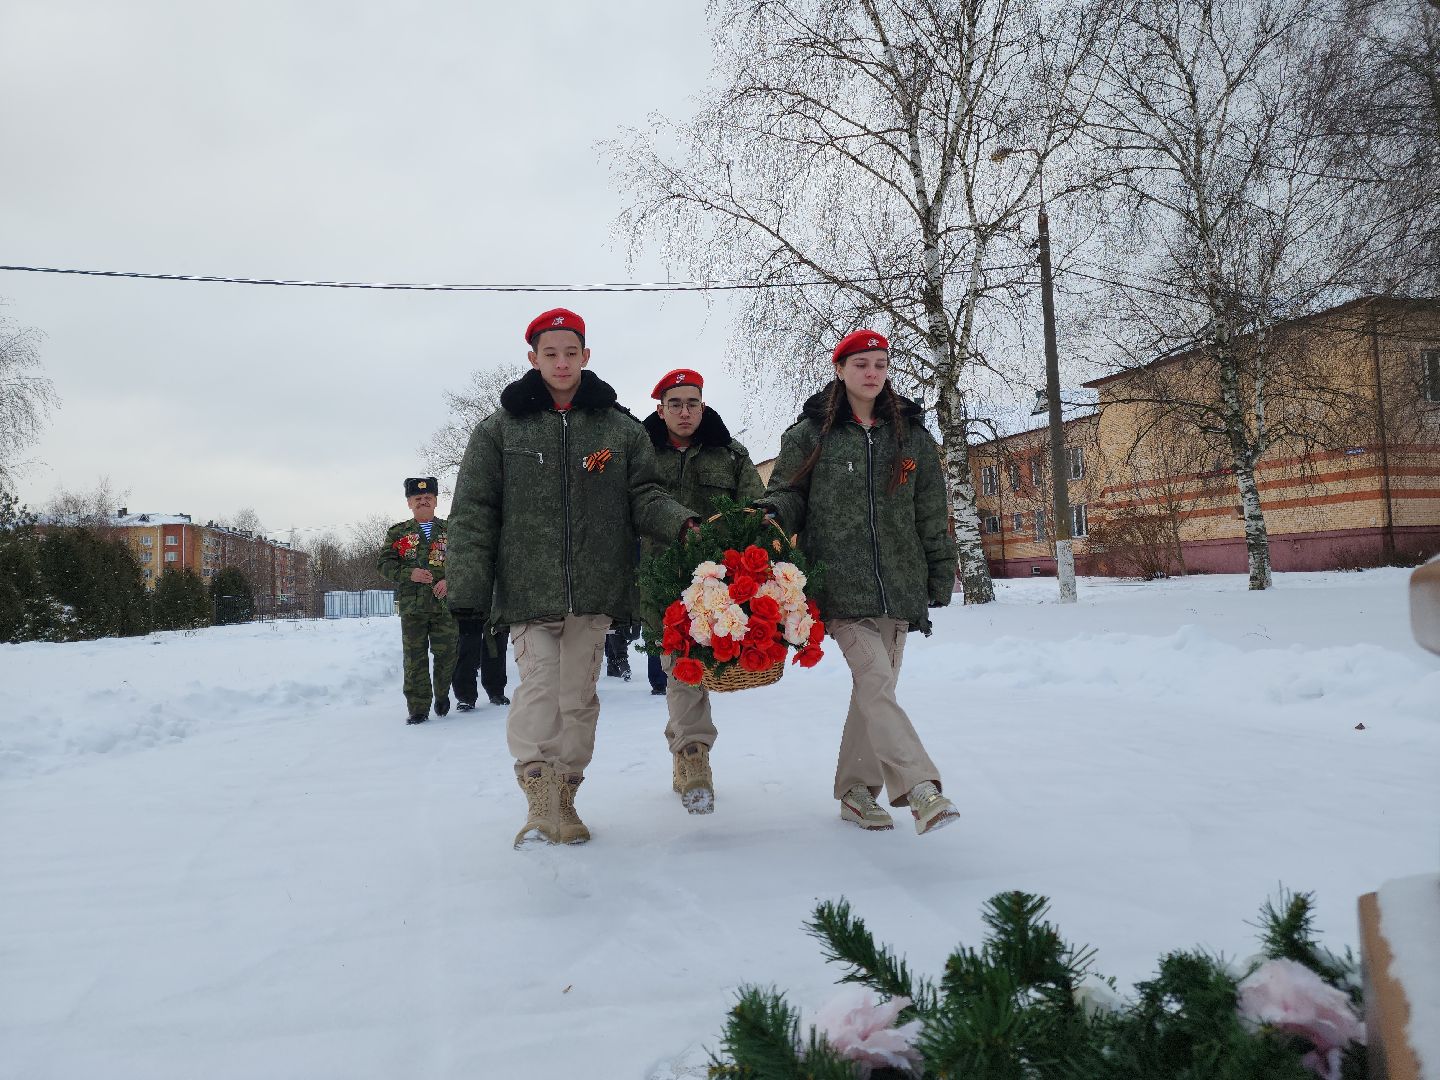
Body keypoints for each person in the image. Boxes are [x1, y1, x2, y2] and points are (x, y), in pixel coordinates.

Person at [446, 308, 697, 848]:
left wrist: (685, 524)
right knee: (539, 690)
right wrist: (468, 589)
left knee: (579, 700)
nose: (561, 362)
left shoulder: (620, 429)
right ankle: (538, 797)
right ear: (533, 358)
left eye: (570, 352)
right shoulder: (499, 430)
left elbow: (645, 495)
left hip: (594, 589)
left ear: (586, 356)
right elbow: (473, 511)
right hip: (526, 590)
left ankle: (566, 795)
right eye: (550, 353)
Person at [757, 331, 960, 835]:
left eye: (880, 365)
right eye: (861, 364)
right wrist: (770, 514)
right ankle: (921, 787)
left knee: (874, 691)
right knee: (876, 682)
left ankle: (854, 792)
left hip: (899, 582)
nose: (872, 373)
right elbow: (789, 493)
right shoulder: (810, 434)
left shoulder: (912, 437)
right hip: (839, 584)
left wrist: (939, 571)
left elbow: (931, 511)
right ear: (840, 369)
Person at [642, 367, 764, 814]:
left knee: (697, 668)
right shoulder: (641, 453)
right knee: (681, 668)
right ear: (660, 410)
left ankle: (685, 750)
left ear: (703, 406)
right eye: (675, 404)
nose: (684, 412)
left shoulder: (730, 454)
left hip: (720, 583)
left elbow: (753, 509)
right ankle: (695, 760)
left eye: (692, 403)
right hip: (660, 580)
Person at [376, 477, 458, 725]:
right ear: (409, 503)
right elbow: (384, 564)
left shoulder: (451, 529)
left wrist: (451, 581)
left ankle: (442, 694)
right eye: (418, 498)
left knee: (447, 655)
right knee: (414, 659)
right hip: (413, 607)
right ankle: (418, 708)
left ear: (435, 501)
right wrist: (408, 573)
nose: (423, 501)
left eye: (428, 498)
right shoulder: (398, 532)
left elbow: (465, 561)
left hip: (444, 606)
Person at [452, 620, 510, 710]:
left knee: (496, 646)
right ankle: (465, 696)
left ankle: (496, 691)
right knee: (466, 646)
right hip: (466, 614)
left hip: (495, 613)